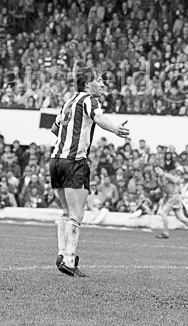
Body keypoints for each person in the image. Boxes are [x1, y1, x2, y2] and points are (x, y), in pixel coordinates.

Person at [50, 64, 130, 277]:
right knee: (77, 214)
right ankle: (69, 261)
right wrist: (115, 129)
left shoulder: (68, 101)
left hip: (56, 160)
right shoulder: (89, 100)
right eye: (99, 80)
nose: (103, 84)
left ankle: (62, 254)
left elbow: (54, 128)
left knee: (66, 211)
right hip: (74, 161)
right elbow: (98, 117)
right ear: (87, 83)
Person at [154, 166, 188, 241]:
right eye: (155, 170)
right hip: (172, 198)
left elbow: (176, 181)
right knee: (181, 217)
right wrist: (154, 191)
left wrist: (180, 179)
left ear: (162, 170)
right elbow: (161, 189)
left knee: (163, 213)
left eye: (158, 169)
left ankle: (165, 233)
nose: (157, 171)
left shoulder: (167, 176)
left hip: (174, 196)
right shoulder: (159, 179)